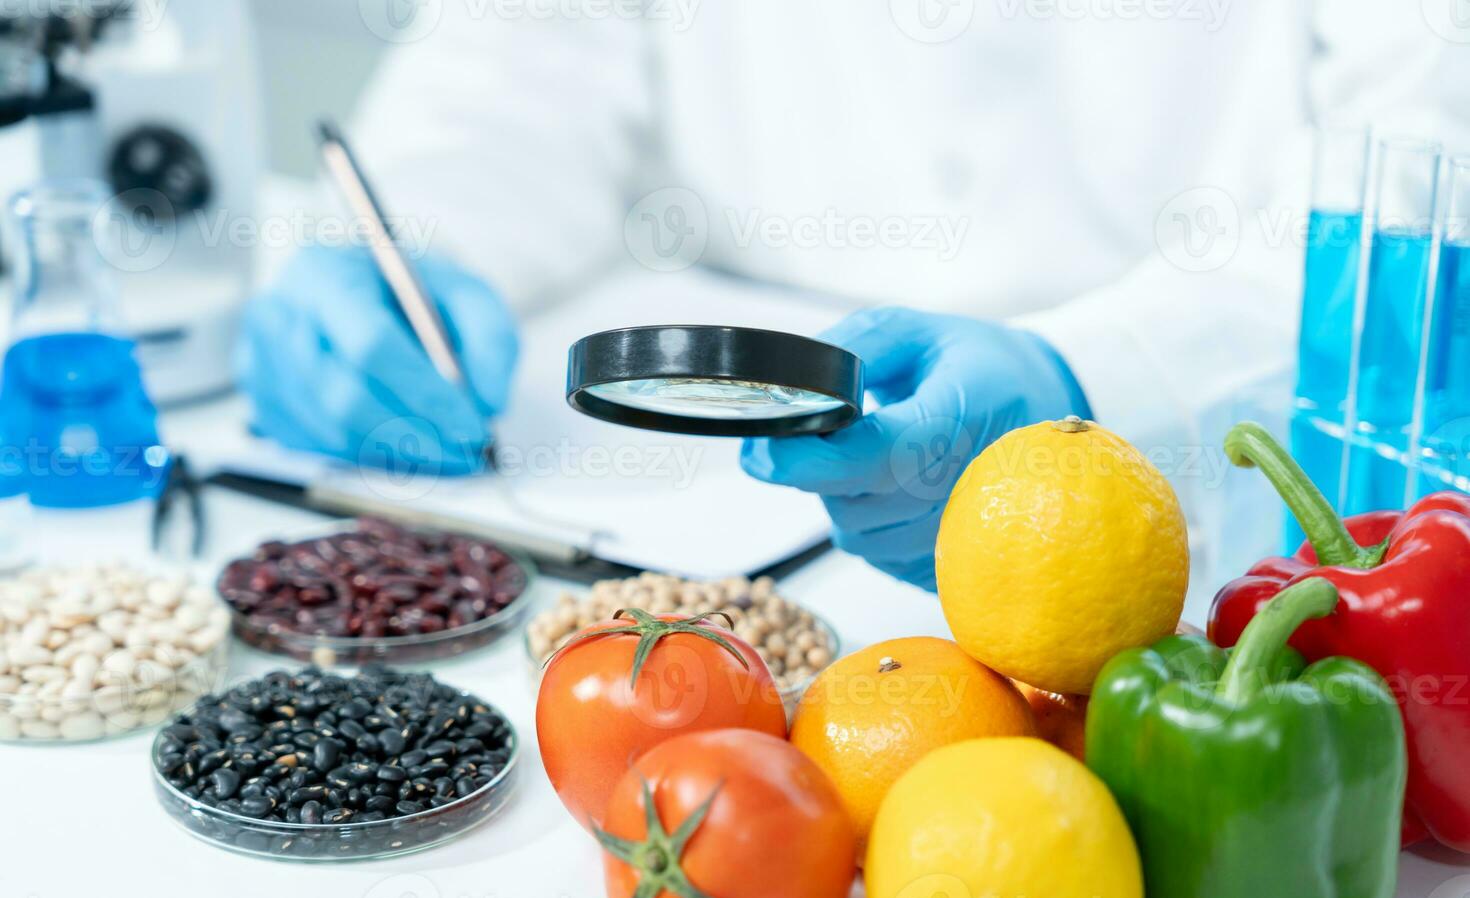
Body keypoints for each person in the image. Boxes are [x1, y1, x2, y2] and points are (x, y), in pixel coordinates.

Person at [238, 2, 1461, 590]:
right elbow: (523, 62)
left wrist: (1107, 384)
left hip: (1181, 513)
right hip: (679, 532)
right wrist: (409, 238)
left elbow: (1426, 178)